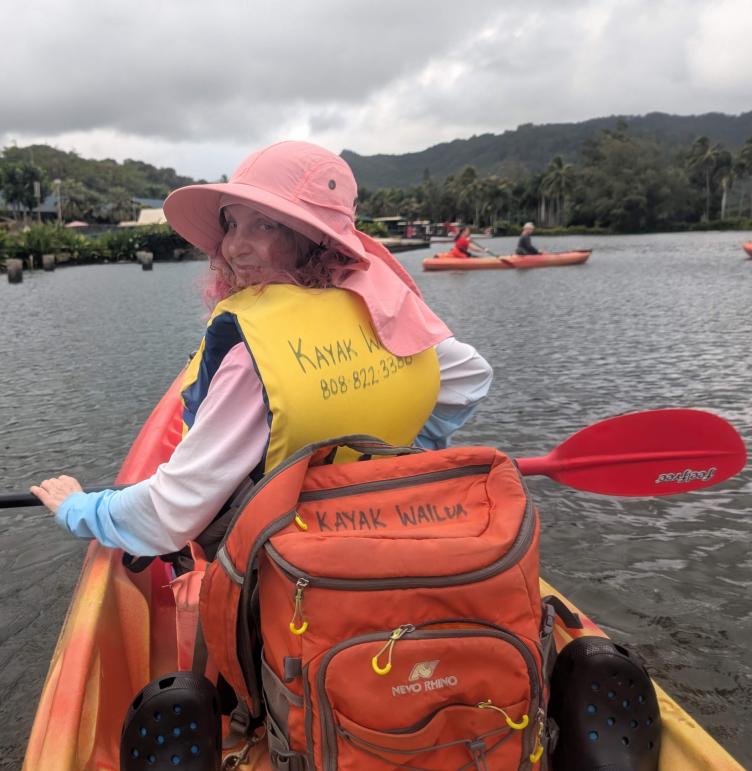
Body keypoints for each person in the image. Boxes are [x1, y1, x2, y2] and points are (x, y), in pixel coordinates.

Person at [31, 141, 493, 558]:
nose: (233, 246)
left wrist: (79, 508)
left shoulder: (254, 358)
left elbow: (169, 517)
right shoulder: (390, 310)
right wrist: (393, 463)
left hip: (290, 575)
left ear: (314, 241)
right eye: (232, 223)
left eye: (266, 225)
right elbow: (470, 376)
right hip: (388, 533)